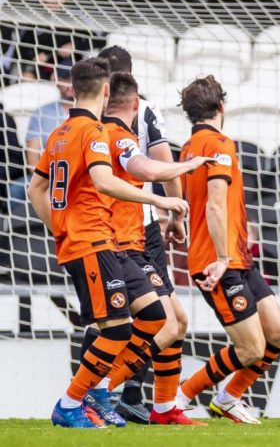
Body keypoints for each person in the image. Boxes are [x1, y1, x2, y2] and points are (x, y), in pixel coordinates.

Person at [26, 57, 188, 428]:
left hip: (97, 241)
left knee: (152, 315)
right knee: (114, 328)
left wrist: (59, 227)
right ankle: (72, 402)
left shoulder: (59, 133)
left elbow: (37, 188)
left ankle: (98, 391)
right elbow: (103, 180)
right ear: (104, 91)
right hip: (93, 241)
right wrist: (159, 199)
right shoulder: (93, 131)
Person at [94, 72, 211, 426]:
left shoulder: (100, 133)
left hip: (133, 239)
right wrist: (183, 169)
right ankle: (95, 392)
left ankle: (161, 407)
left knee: (175, 321)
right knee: (160, 321)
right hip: (125, 243)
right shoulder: (116, 135)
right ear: (134, 101)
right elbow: (147, 167)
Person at [174, 76, 280, 425]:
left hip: (237, 258)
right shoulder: (220, 144)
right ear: (221, 107)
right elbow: (213, 205)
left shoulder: (188, 148)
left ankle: (229, 396)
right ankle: (183, 394)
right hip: (219, 261)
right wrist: (224, 258)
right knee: (251, 348)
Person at [24, 63, 75, 171]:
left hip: (80, 178)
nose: (71, 84)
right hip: (46, 176)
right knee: (14, 188)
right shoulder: (41, 112)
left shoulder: (91, 110)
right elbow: (32, 158)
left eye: (75, 79)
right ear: (56, 81)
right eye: (66, 79)